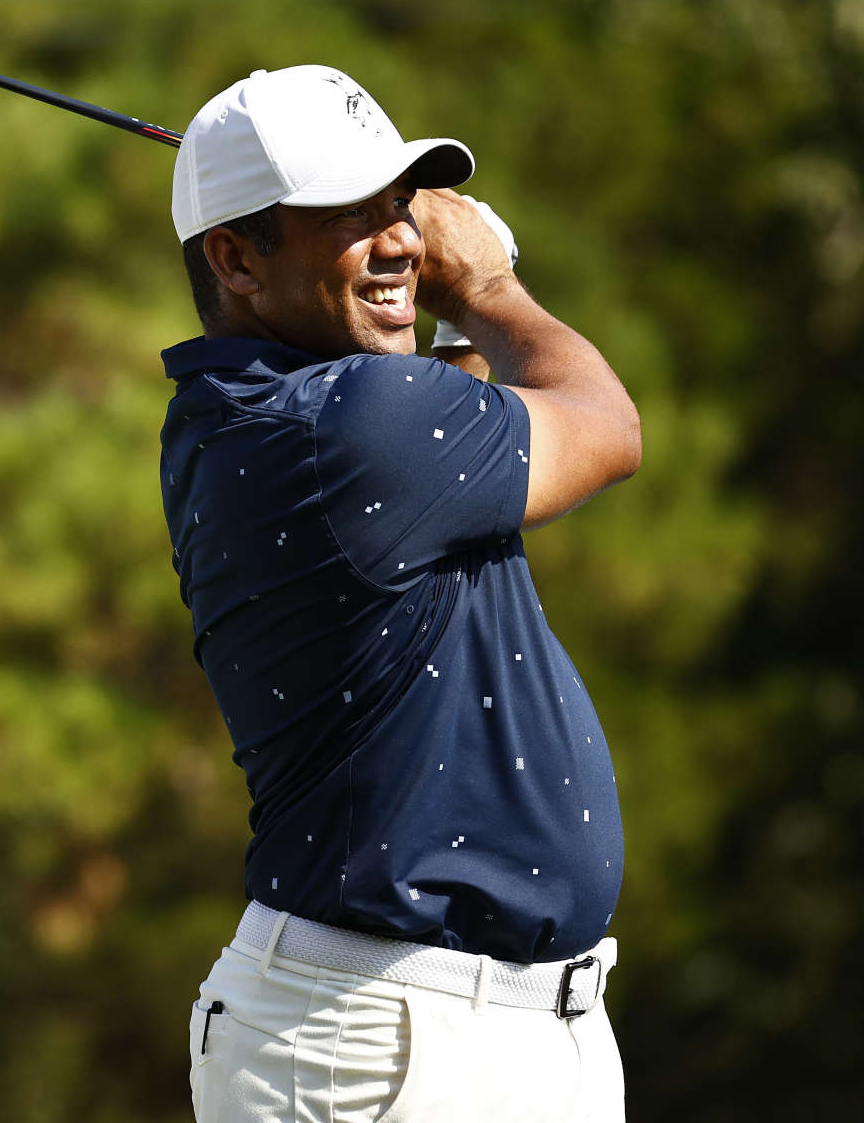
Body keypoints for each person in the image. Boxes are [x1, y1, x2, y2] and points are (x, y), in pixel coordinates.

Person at [160, 65, 641, 1122]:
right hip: (381, 1043)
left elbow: (445, 421)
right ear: (236, 258)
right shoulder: (342, 429)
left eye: (400, 206)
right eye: (349, 215)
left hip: (471, 1032)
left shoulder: (263, 413)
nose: (400, 241)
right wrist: (491, 288)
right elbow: (607, 429)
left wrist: (438, 304)